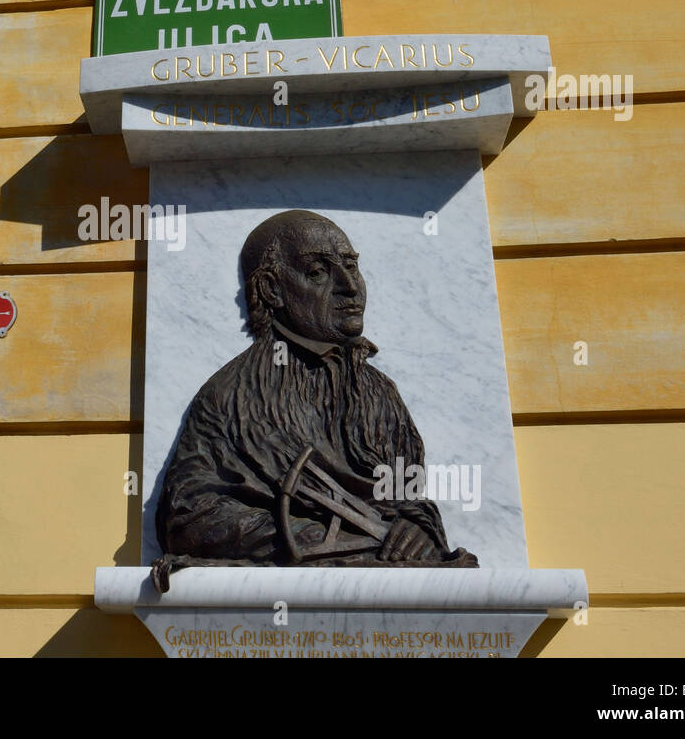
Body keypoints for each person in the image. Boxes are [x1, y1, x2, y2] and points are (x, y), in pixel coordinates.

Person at [155, 210, 475, 573]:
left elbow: (405, 495)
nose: (349, 287)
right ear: (272, 290)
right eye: (318, 272)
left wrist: (416, 528)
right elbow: (189, 518)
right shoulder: (229, 395)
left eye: (351, 267)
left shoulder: (381, 393)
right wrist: (320, 539)